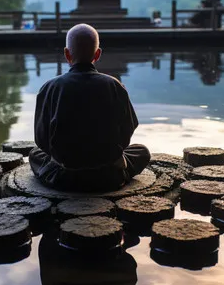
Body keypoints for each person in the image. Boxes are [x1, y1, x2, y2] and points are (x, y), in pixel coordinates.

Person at [29, 23, 150, 192]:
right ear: (98, 54)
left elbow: (41, 139)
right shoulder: (114, 85)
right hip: (107, 176)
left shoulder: (50, 87)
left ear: (67, 54)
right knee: (142, 152)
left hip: (63, 177)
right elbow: (127, 130)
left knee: (35, 154)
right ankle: (115, 172)